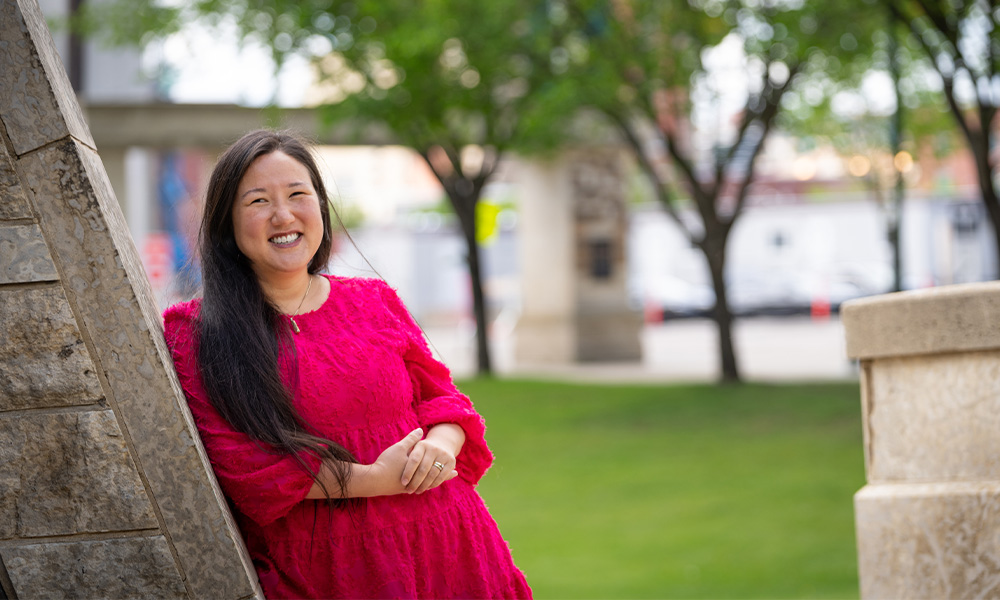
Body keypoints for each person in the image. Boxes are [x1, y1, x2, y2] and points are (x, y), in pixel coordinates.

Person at [163, 129, 531, 599]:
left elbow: (446, 400)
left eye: (299, 194)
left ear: (320, 206)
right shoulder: (194, 332)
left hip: (449, 542)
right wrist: (376, 478)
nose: (283, 215)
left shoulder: (374, 300)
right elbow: (244, 468)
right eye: (258, 201)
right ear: (227, 223)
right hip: (334, 568)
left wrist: (442, 443)